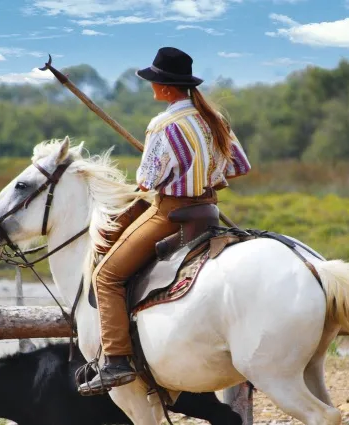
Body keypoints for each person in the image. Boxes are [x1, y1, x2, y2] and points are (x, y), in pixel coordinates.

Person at [78, 46, 251, 395]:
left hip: (170, 213)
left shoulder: (163, 124)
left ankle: (116, 361)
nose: (151, 86)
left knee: (106, 275)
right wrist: (203, 173)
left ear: (167, 88)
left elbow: (147, 180)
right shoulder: (214, 119)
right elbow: (239, 167)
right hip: (208, 212)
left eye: (154, 81)